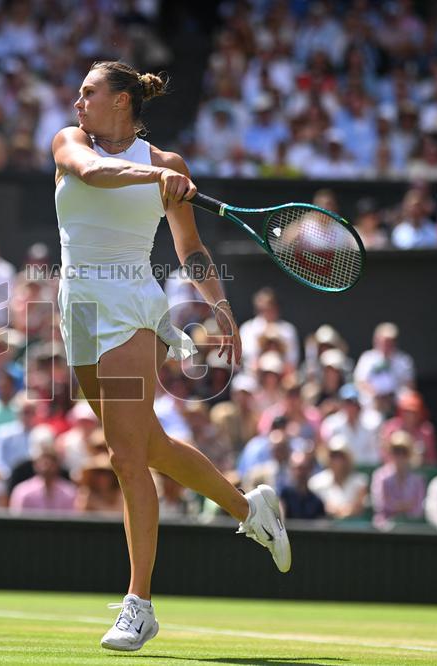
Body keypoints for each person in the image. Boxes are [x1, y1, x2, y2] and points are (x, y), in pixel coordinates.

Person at [53, 61, 290, 652]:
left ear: (123, 100)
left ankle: (140, 605)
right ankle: (250, 507)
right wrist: (150, 178)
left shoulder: (170, 166)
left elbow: (190, 247)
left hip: (132, 305)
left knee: (128, 457)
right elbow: (91, 171)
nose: (78, 101)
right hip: (77, 308)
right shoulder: (70, 141)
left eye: (90, 92)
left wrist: (220, 307)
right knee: (145, 445)